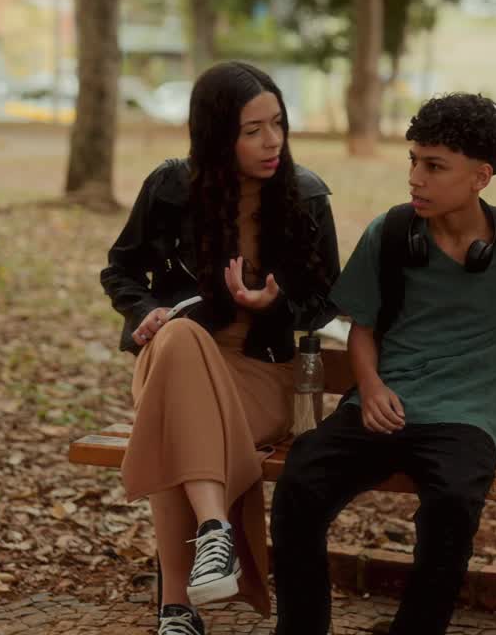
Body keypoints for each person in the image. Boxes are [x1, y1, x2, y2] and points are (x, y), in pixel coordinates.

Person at [270, 93, 496, 635]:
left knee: (451, 506)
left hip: (465, 420)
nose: (416, 179)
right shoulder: (394, 233)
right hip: (383, 404)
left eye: (434, 166)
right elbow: (363, 327)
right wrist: (370, 386)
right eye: (413, 161)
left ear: (480, 176)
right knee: (301, 482)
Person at [101, 61, 341, 635]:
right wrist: (145, 311)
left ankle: (178, 608)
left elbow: (326, 301)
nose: (272, 141)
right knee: (181, 336)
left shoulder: (305, 198)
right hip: (176, 357)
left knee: (166, 419)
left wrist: (272, 305)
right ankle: (214, 534)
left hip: (260, 373)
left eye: (277, 124)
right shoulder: (169, 190)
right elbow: (121, 271)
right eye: (252, 130)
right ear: (216, 134)